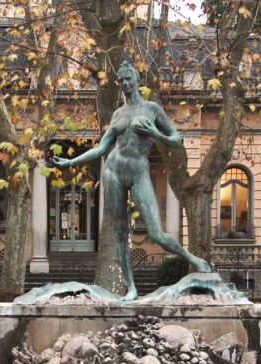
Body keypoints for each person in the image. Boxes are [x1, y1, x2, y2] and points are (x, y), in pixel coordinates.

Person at [51, 58, 210, 300]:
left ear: (137, 81)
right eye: (122, 80)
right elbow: (102, 148)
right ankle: (131, 288)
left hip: (137, 170)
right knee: (119, 232)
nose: (125, 83)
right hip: (113, 170)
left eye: (129, 79)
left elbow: (176, 139)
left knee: (156, 233)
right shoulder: (117, 113)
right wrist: (72, 162)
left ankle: (192, 259)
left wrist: (155, 134)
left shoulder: (152, 109)